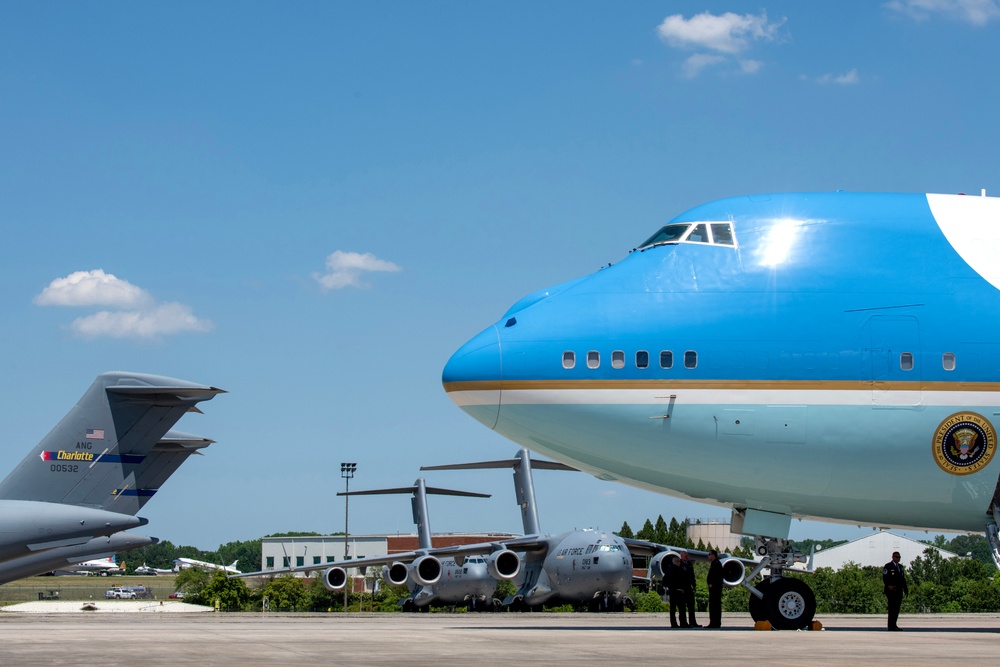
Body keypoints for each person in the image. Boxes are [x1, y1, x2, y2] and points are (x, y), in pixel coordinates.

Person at [882, 551, 908, 631]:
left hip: (898, 591)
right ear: (893, 557)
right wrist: (888, 585)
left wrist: (905, 589)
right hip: (891, 591)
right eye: (896, 557)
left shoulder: (900, 567)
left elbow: (902, 579)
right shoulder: (888, 566)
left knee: (897, 608)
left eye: (899, 557)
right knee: (892, 608)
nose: (898, 559)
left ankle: (894, 624)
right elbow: (885, 577)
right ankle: (890, 625)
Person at [664, 554, 689, 628]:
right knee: (681, 608)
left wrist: (670, 587)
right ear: (677, 562)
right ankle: (683, 623)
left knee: (673, 609)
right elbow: (683, 580)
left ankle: (674, 623)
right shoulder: (679, 570)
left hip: (673, 592)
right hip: (679, 592)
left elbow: (665, 581)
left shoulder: (669, 570)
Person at [679, 550, 700, 627]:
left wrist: (694, 585)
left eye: (687, 556)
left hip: (689, 587)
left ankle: (693, 622)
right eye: (685, 556)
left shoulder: (689, 564)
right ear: (681, 556)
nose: (687, 557)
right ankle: (683, 623)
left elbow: (692, 576)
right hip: (682, 588)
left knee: (691, 606)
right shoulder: (679, 564)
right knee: (682, 607)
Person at [706, 549, 723, 628]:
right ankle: (714, 622)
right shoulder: (714, 563)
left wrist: (712, 584)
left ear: (713, 555)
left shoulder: (716, 564)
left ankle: (715, 622)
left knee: (715, 605)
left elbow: (717, 576)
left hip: (715, 589)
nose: (708, 556)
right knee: (713, 605)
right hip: (714, 588)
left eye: (709, 554)